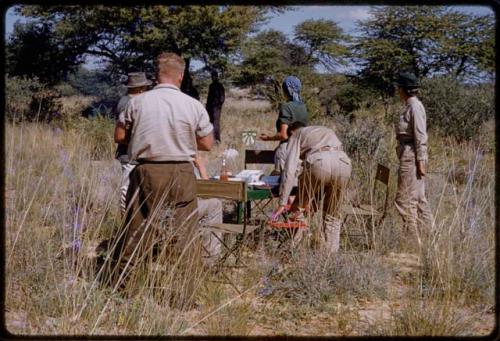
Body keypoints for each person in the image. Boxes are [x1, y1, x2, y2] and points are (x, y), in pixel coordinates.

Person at [113, 52, 214, 290]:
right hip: (181, 171)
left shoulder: (136, 102)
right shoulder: (193, 104)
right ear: (180, 76)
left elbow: (119, 136)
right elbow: (207, 143)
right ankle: (184, 294)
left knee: (136, 228)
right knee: (184, 232)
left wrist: (144, 136)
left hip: (147, 170)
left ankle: (125, 288)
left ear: (156, 76)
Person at [271, 122, 352, 254]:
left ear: (291, 132)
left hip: (319, 162)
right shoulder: (325, 129)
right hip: (344, 164)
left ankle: (294, 249)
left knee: (299, 209)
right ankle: (331, 257)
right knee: (333, 215)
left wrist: (283, 201)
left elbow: (289, 170)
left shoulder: (295, 135)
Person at [393, 72, 432, 246]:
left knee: (405, 199)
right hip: (408, 153)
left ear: (403, 89)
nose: (397, 90)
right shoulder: (410, 105)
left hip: (411, 155)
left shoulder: (414, 106)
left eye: (398, 87)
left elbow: (420, 135)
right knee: (419, 198)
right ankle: (431, 237)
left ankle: (413, 242)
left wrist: (421, 161)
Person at [260, 75, 308, 208]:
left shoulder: (286, 107)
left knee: (285, 186)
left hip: (286, 150)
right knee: (294, 186)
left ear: (286, 89)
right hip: (299, 149)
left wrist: (268, 138)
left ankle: (289, 219)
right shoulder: (303, 107)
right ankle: (296, 220)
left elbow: (283, 135)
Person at [113, 72, 151, 215]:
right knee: (127, 189)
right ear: (141, 88)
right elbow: (119, 136)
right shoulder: (128, 103)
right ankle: (126, 222)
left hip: (132, 153)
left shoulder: (128, 101)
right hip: (129, 154)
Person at [193, 155, 223, 265]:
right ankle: (210, 258)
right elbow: (206, 192)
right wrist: (202, 168)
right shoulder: (188, 163)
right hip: (185, 209)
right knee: (215, 204)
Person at [206, 70, 225, 144]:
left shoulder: (220, 86)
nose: (212, 78)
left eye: (213, 76)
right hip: (210, 107)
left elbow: (222, 97)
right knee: (210, 122)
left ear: (216, 77)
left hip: (216, 107)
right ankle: (212, 139)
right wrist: (207, 106)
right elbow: (209, 96)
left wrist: (219, 105)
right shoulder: (211, 85)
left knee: (215, 123)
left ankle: (217, 140)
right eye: (212, 76)